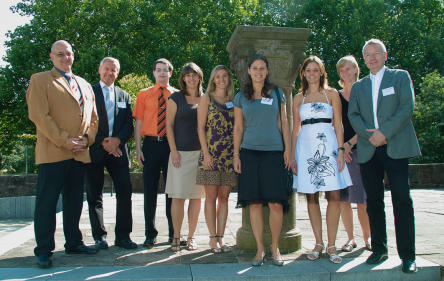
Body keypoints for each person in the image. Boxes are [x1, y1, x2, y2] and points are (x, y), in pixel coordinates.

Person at [348, 39, 421, 273]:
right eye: (367, 55)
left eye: (375, 53)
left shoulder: (400, 77)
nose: (371, 58)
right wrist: (371, 136)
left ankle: (408, 256)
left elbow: (406, 107)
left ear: (385, 55)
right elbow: (354, 115)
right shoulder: (359, 86)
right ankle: (379, 249)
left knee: (402, 199)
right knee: (374, 202)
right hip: (369, 149)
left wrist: (384, 133)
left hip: (395, 146)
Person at [26, 40, 99, 268]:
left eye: (68, 54)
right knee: (47, 203)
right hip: (53, 153)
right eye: (60, 54)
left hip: (79, 154)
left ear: (73, 55)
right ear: (51, 56)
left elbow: (94, 118)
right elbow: (39, 116)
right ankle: (44, 250)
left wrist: (87, 139)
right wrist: (64, 141)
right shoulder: (40, 80)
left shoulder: (85, 84)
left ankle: (74, 242)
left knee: (75, 202)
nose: (65, 58)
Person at [291, 55, 352, 264]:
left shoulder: (332, 94)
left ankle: (332, 244)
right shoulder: (298, 98)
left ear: (322, 72)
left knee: (334, 196)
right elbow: (295, 129)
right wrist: (292, 155)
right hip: (306, 150)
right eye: (308, 70)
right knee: (311, 197)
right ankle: (318, 242)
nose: (312, 74)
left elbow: (339, 124)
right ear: (303, 73)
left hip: (330, 148)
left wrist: (342, 149)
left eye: (315, 70)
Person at [233, 53, 291, 266]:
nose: (258, 72)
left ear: (267, 71)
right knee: (255, 204)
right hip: (249, 153)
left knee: (276, 203)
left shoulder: (277, 93)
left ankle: (275, 249)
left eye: (262, 68)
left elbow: (284, 123)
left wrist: (288, 150)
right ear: (249, 71)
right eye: (255, 68)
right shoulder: (241, 96)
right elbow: (238, 127)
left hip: (274, 153)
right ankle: (259, 250)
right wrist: (236, 154)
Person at [85, 57, 137, 250]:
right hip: (95, 150)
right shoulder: (89, 92)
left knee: (125, 192)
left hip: (118, 152)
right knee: (94, 195)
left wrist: (117, 141)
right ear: (99, 70)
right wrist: (102, 142)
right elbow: (85, 121)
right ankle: (99, 237)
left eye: (113, 70)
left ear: (118, 72)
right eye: (106, 69)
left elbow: (128, 126)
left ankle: (123, 236)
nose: (110, 73)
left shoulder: (124, 96)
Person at [133, 58, 182, 247]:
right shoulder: (144, 94)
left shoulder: (178, 95)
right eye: (158, 70)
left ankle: (173, 233)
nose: (162, 73)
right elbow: (138, 123)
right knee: (150, 191)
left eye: (165, 70)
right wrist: (138, 149)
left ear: (171, 73)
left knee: (172, 192)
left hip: (171, 147)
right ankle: (150, 233)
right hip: (151, 146)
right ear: (153, 73)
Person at [196, 65, 237, 253]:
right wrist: (205, 154)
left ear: (228, 79)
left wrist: (236, 154)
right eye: (217, 76)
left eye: (224, 76)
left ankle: (221, 238)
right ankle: (212, 238)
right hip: (210, 155)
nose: (221, 79)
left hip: (229, 157)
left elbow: (238, 129)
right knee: (211, 197)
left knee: (224, 198)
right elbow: (200, 128)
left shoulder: (234, 100)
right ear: (213, 79)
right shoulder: (206, 99)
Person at [165, 62, 205, 251]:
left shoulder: (206, 99)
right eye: (187, 75)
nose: (191, 78)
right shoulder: (175, 98)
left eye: (194, 74)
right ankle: (176, 236)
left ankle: (191, 237)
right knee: (178, 198)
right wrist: (173, 151)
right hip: (179, 155)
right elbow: (169, 126)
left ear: (199, 77)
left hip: (200, 155)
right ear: (182, 78)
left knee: (196, 198)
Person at [336, 55, 371, 252]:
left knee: (363, 200)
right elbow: (334, 125)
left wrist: (350, 144)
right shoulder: (336, 96)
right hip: (343, 153)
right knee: (344, 200)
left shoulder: (365, 92)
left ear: (356, 69)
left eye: (349, 69)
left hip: (363, 149)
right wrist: (342, 148)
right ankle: (350, 238)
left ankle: (368, 238)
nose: (346, 73)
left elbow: (369, 122)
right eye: (342, 70)